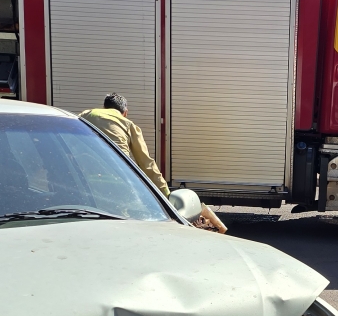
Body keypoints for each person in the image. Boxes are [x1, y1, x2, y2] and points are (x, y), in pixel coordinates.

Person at [79, 93, 227, 232]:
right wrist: (166, 195)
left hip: (84, 186)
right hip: (118, 186)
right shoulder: (127, 124)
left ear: (105, 107)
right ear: (125, 112)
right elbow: (146, 165)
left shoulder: (84, 116)